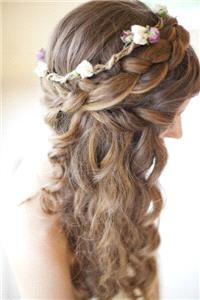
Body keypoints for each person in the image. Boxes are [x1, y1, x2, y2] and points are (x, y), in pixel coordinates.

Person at [4, 0, 200, 299]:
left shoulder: (116, 166)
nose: (178, 134)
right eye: (169, 119)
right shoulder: (36, 229)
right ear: (115, 129)